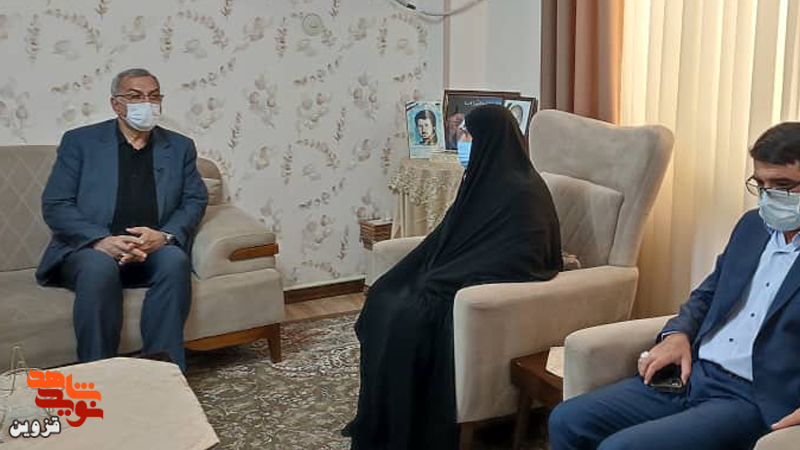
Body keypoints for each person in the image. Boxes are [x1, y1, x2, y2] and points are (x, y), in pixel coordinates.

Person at [548, 122, 800, 450]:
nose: (768, 196)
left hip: (751, 396)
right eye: (761, 185)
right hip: (694, 372)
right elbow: (708, 294)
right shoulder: (752, 226)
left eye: (783, 186)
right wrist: (677, 333)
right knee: (567, 419)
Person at [344, 104, 563, 449]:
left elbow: (524, 257)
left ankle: (408, 429)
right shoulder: (481, 177)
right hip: (456, 272)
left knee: (409, 319)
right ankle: (384, 420)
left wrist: (450, 274)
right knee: (385, 294)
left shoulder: (525, 191)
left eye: (469, 136)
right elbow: (449, 234)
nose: (463, 142)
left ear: (490, 139)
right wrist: (424, 267)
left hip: (481, 285)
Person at [36, 68, 208, 371]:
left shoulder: (180, 146)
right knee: (98, 267)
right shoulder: (80, 142)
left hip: (150, 249)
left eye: (153, 96)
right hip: (92, 250)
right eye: (135, 96)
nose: (147, 103)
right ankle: (100, 374)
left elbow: (194, 199)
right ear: (116, 104)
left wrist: (164, 236)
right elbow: (56, 204)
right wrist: (101, 240)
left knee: (175, 261)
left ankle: (164, 372)